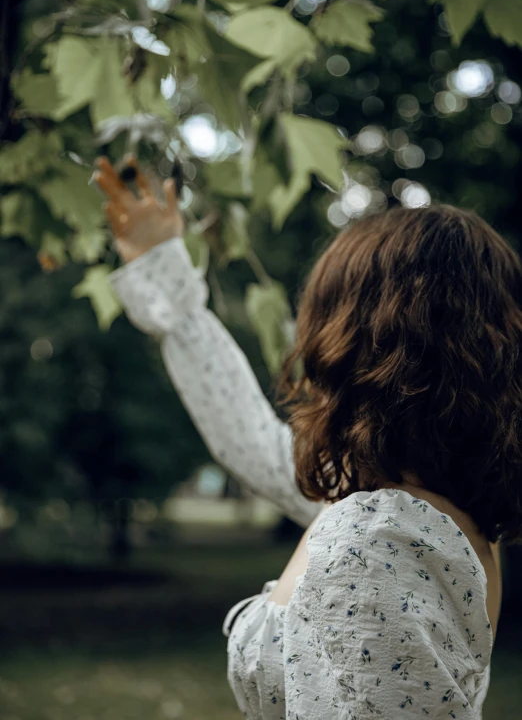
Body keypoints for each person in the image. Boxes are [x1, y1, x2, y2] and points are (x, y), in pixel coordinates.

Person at [94, 155, 521, 719]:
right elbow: (248, 435)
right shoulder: (428, 518)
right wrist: (164, 275)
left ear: (358, 345)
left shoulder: (376, 540)